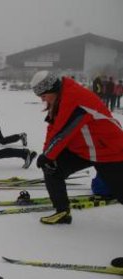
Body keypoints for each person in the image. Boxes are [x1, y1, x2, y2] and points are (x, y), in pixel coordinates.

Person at [30, 70, 123, 225]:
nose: (42, 99)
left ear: (51, 89)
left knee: (120, 192)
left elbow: (63, 132)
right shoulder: (59, 99)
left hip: (109, 150)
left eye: (43, 96)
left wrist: (48, 155)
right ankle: (62, 212)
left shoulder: (74, 98)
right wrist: (47, 155)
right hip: (85, 149)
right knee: (52, 169)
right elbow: (53, 129)